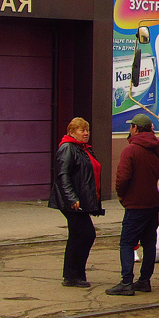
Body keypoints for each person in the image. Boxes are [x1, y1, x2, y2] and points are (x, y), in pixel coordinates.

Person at [107, 113, 159, 296]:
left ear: (135, 129)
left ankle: (126, 282)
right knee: (149, 243)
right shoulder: (158, 148)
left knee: (127, 242)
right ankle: (144, 281)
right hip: (155, 203)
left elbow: (122, 178)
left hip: (136, 205)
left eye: (131, 127)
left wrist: (122, 196)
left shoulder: (130, 150)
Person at [48, 117, 104, 287]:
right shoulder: (68, 148)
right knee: (86, 234)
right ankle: (74, 274)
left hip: (80, 201)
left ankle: (74, 274)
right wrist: (72, 198)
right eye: (81, 130)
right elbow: (62, 175)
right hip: (72, 203)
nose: (86, 133)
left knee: (76, 236)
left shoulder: (82, 149)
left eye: (87, 130)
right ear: (71, 132)